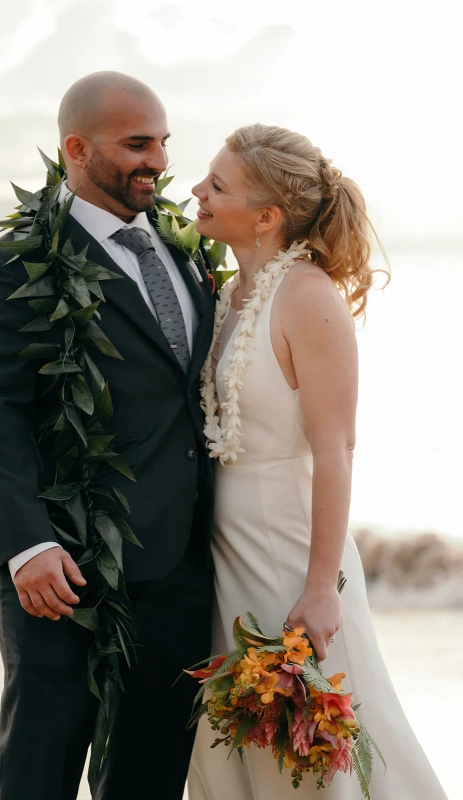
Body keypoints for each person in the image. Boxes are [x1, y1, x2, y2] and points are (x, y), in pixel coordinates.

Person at [0, 72, 215, 800]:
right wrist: (27, 542)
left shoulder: (183, 253)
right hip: (61, 566)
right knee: (41, 763)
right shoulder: (6, 269)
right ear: (76, 149)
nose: (156, 159)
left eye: (161, 141)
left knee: (150, 774)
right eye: (135, 144)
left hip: (178, 566)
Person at [187, 124, 448, 799]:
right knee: (238, 746)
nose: (196, 191)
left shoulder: (306, 298)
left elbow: (336, 451)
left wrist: (317, 590)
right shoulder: (225, 293)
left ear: (266, 215)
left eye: (217, 185)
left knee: (312, 757)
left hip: (291, 562)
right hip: (224, 558)